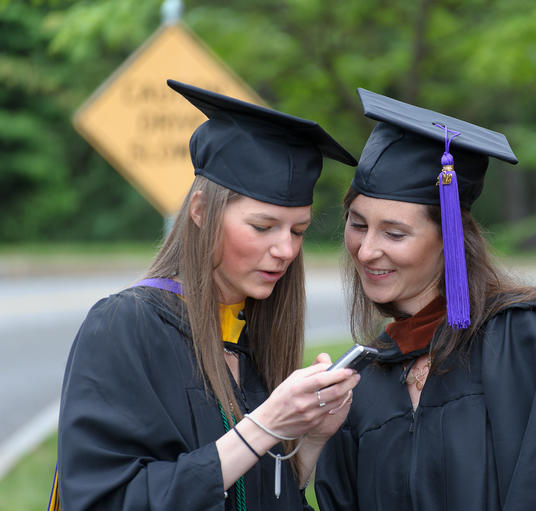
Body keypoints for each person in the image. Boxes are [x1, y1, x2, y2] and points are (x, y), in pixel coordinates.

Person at [314, 89, 536, 510]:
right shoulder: (366, 380)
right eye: (358, 224)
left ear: (449, 239)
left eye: (394, 233)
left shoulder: (522, 342)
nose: (367, 250)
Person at [53, 80, 361, 510]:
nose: (285, 250)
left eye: (297, 231)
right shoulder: (124, 326)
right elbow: (106, 499)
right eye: (262, 226)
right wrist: (265, 425)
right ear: (200, 211)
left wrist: (308, 440)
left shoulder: (252, 337)